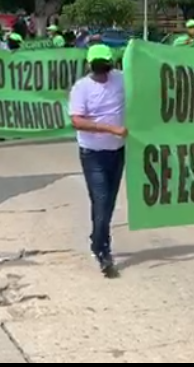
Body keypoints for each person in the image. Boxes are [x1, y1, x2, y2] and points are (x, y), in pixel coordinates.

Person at [69, 44, 127, 277]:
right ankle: (103, 250)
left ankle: (97, 237)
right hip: (93, 153)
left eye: (105, 63)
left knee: (107, 203)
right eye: (98, 64)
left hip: (117, 152)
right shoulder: (81, 88)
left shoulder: (121, 80)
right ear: (89, 65)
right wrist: (108, 128)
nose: (102, 69)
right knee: (101, 201)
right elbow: (77, 120)